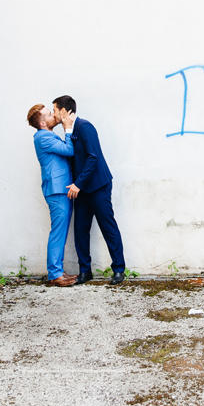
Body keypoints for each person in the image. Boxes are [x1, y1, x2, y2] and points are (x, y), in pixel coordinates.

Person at [51, 95, 127, 285]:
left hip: (98, 186)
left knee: (108, 227)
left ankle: (119, 269)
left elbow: (93, 157)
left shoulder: (85, 127)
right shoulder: (68, 131)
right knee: (80, 231)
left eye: (55, 110)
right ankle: (85, 271)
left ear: (64, 110)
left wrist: (78, 184)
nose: (53, 114)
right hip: (82, 190)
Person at [27, 104, 77, 287]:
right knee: (58, 232)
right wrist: (68, 129)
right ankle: (55, 273)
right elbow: (69, 150)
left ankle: (58, 271)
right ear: (42, 123)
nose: (53, 116)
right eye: (49, 114)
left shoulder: (45, 135)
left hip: (59, 189)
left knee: (60, 231)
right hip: (57, 190)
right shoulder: (44, 137)